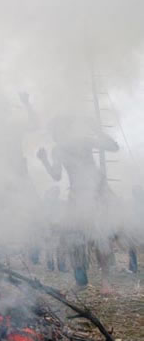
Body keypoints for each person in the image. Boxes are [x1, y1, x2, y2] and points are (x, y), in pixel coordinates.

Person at [37, 116, 119, 294]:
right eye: (54, 132)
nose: (56, 135)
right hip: (76, 197)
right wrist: (44, 160)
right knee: (72, 239)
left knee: (101, 239)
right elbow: (57, 176)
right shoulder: (57, 150)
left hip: (97, 194)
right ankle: (81, 281)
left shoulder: (84, 141)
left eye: (59, 131)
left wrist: (97, 130)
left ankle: (106, 283)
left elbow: (113, 147)